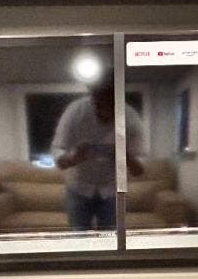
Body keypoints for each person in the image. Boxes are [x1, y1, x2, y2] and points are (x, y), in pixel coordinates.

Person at [52, 74, 145, 231]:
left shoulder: (132, 119)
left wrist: (124, 156)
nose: (106, 108)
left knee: (112, 240)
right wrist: (73, 158)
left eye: (111, 101)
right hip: (78, 188)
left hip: (113, 191)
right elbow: (58, 152)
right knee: (78, 239)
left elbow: (139, 170)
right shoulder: (75, 112)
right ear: (93, 94)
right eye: (100, 99)